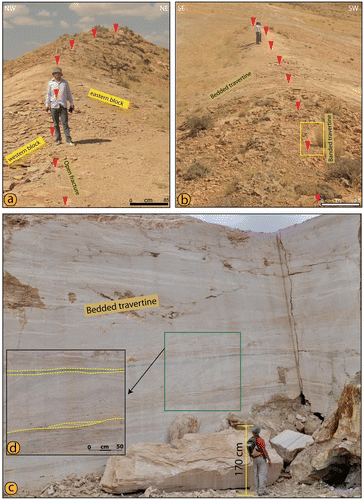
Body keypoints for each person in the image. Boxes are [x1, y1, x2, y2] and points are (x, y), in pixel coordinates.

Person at [45, 67, 75, 146]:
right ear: (53, 74)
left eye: (58, 73)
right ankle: (58, 139)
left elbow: (68, 93)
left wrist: (71, 103)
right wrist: (47, 105)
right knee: (55, 124)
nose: (57, 75)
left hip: (62, 106)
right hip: (54, 106)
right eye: (55, 73)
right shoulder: (50, 83)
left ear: (60, 74)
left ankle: (68, 140)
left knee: (65, 123)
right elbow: (48, 95)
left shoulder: (65, 83)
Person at [247, 425, 272, 496]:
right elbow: (264, 451)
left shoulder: (250, 440)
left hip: (254, 459)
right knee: (262, 474)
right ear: (259, 431)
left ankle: (257, 490)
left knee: (256, 474)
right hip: (261, 458)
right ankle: (261, 491)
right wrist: (268, 459)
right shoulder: (260, 440)